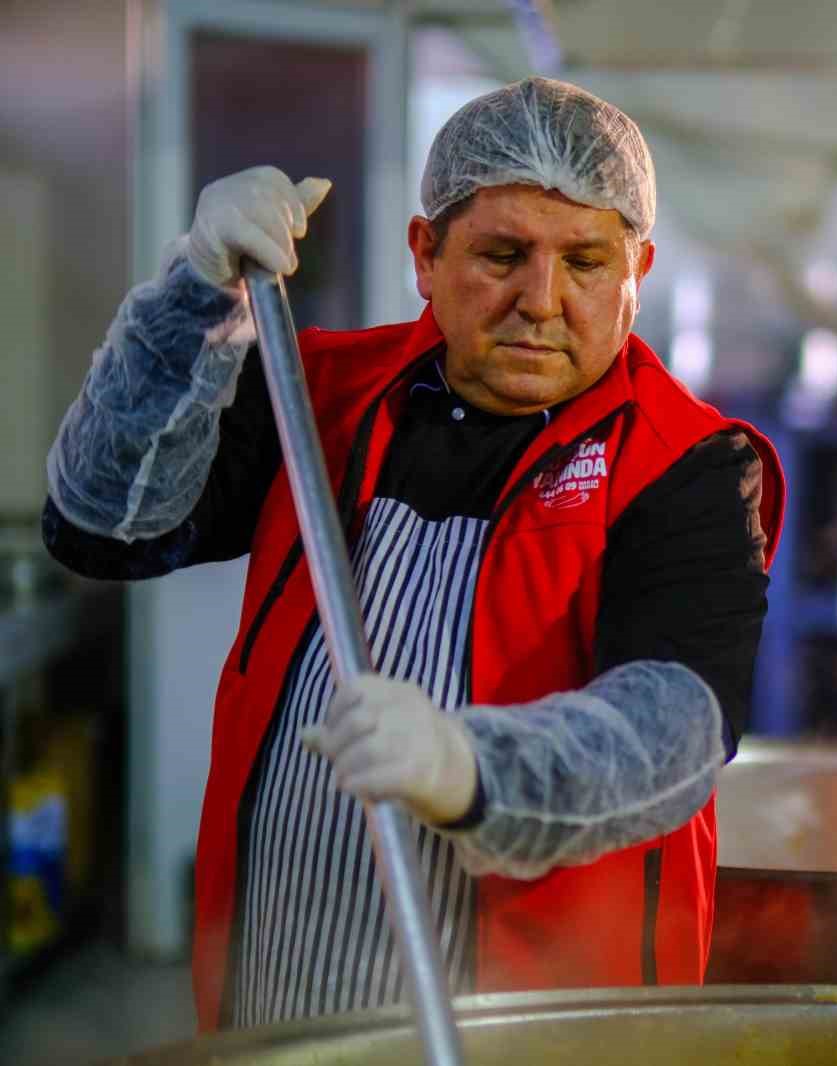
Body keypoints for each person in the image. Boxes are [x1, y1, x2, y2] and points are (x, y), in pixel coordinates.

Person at [42, 77, 784, 1031]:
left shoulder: (684, 465)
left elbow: (673, 733)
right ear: (424, 255)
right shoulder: (323, 394)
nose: (541, 301)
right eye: (502, 255)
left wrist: (470, 767)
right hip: (281, 994)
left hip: (543, 1032)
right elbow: (104, 524)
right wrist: (197, 297)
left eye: (587, 261)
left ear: (638, 267)